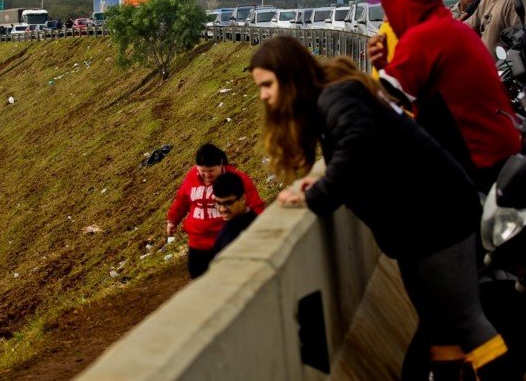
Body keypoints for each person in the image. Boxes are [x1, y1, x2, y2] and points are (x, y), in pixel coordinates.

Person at [250, 36, 508, 380]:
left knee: (464, 317)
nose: (264, 95)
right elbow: (349, 149)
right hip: (418, 223)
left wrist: (317, 195)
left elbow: (357, 146)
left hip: (439, 215)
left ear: (291, 76)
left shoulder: (335, 97)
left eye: (268, 85)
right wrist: (323, 183)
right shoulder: (332, 96)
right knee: (436, 324)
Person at [368, 0, 520, 193]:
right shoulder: (451, 27)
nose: (387, 16)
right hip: (499, 149)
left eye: (388, 6)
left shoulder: (424, 35)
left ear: (403, 3)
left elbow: (385, 98)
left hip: (476, 158)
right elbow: (417, 92)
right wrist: (383, 66)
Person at [167, 143, 265, 279]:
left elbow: (255, 206)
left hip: (225, 240)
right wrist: (172, 220)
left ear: (221, 164)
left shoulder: (236, 180)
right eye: (202, 171)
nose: (206, 176)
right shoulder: (192, 176)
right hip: (197, 243)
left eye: (211, 171)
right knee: (198, 280)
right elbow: (182, 199)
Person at [210, 172, 258, 257]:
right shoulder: (230, 225)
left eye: (228, 203)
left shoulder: (252, 229)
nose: (222, 209)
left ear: (242, 199)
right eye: (218, 203)